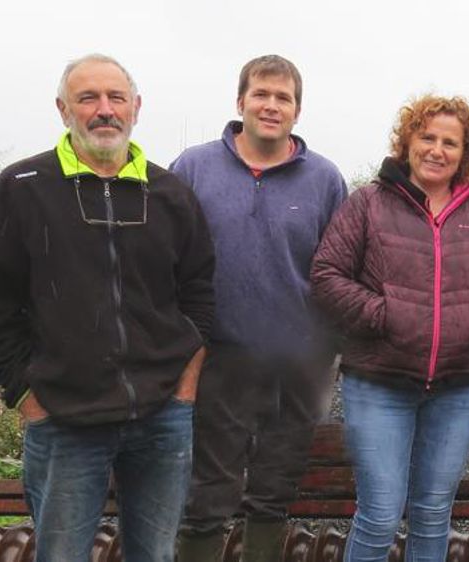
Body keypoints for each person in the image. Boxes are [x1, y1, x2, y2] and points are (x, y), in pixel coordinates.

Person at [0, 53, 214, 562]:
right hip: (63, 417)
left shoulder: (170, 193)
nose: (103, 110)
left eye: (116, 98)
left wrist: (185, 387)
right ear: (62, 109)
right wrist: (25, 392)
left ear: (136, 107)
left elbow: (200, 293)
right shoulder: (21, 188)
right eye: (87, 98)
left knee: (156, 554)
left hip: (162, 417)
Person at [310, 95, 469, 561]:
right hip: (379, 382)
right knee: (380, 514)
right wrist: (383, 315)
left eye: (450, 142)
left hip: (457, 387)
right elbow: (326, 276)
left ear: (464, 154)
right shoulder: (368, 204)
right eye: (427, 137)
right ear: (407, 142)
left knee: (432, 511)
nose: (437, 150)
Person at [169, 55, 348, 562]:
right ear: (240, 100)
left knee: (273, 490)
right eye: (262, 94)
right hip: (213, 357)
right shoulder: (193, 167)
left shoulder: (325, 179)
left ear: (298, 109)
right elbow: (169, 260)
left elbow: (339, 270)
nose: (272, 105)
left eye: (283, 97)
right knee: (207, 492)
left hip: (295, 362)